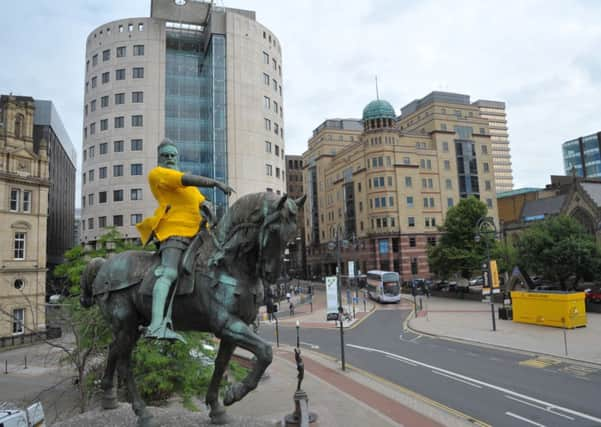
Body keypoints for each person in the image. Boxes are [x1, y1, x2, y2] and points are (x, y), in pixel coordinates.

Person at [136, 138, 234, 340]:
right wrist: (215, 183)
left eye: (173, 155)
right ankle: (155, 325)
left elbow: (200, 201)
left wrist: (208, 209)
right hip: (175, 231)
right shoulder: (159, 175)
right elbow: (187, 179)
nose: (170, 158)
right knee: (169, 272)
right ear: (159, 158)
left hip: (200, 234)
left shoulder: (189, 189)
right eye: (166, 155)